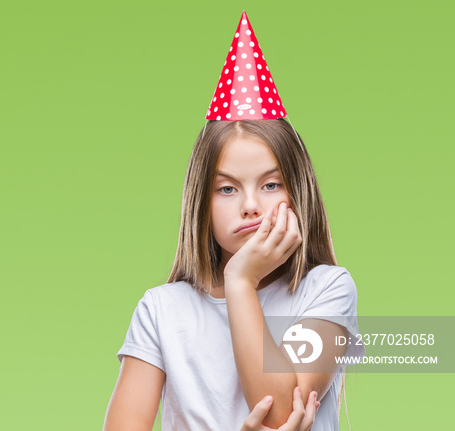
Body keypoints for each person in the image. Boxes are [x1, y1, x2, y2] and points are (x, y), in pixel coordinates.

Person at [103, 12, 363, 430]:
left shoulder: (327, 289)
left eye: (271, 185)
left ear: (300, 193)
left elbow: (280, 413)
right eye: (227, 189)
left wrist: (240, 282)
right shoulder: (162, 310)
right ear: (200, 206)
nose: (250, 206)